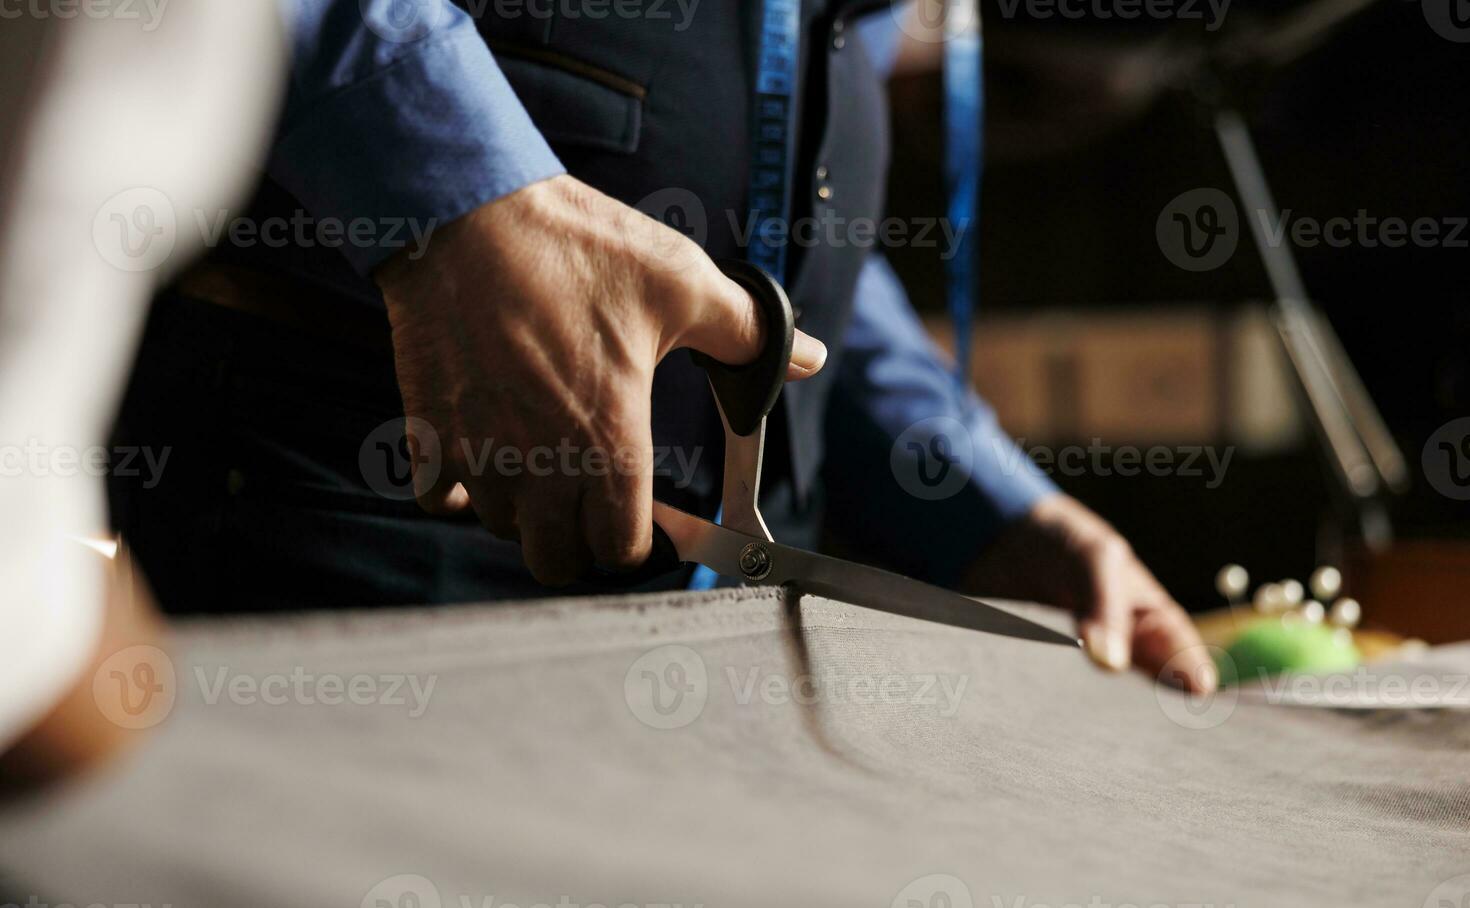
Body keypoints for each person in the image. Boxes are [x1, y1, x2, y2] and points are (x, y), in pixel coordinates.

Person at [91, 0, 1215, 694]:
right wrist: (459, 200)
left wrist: (984, 506)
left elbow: (771, 239)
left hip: (722, 664)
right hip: (342, 551)